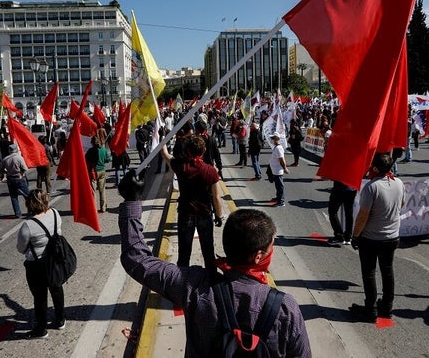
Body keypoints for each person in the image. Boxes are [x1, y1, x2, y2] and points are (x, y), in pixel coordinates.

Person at [117, 171, 312, 357]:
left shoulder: (195, 286)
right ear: (258, 257)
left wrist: (132, 200)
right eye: (271, 246)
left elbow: (136, 258)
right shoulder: (286, 307)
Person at [349, 153, 405, 322]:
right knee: (387, 271)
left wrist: (355, 236)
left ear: (374, 168)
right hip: (392, 236)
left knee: (369, 273)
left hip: (372, 238)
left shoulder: (371, 187)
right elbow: (402, 203)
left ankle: (370, 309)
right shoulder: (399, 183)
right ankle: (387, 307)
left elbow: (363, 215)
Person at [160, 135, 223, 276]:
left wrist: (162, 137)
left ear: (187, 150)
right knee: (208, 251)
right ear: (203, 151)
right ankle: (211, 280)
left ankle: (182, 284)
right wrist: (219, 215)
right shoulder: (210, 171)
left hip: (185, 214)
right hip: (205, 215)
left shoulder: (181, 166)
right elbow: (216, 197)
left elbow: (165, 154)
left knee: (184, 253)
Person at [16, 189, 66, 339]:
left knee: (40, 297)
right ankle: (60, 320)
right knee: (57, 289)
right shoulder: (55, 213)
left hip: (36, 264)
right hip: (55, 259)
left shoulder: (28, 225)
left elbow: (21, 248)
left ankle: (41, 328)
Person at [0, 144, 30, 218]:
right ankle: (31, 210)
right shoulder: (19, 158)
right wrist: (22, 174)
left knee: (14, 197)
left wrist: (6, 172)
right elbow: (25, 168)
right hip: (19, 177)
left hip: (10, 178)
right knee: (27, 195)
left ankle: (17, 213)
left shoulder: (5, 159)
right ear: (16, 150)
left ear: (9, 150)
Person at [85, 135, 111, 213]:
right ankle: (103, 208)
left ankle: (93, 209)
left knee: (93, 191)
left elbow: (86, 159)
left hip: (93, 172)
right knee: (102, 190)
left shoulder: (90, 151)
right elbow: (107, 160)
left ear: (92, 143)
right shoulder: (103, 150)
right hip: (102, 171)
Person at [327, 181, 357, 246]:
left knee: (332, 212)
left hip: (340, 188)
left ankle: (339, 236)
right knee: (349, 213)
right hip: (352, 188)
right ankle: (348, 237)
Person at [268, 134, 289, 207]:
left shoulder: (278, 148)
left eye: (273, 138)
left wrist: (285, 168)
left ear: (276, 139)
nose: (272, 140)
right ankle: (278, 198)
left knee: (280, 186)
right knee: (277, 186)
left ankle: (281, 201)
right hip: (275, 170)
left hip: (278, 171)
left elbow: (282, 160)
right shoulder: (276, 147)